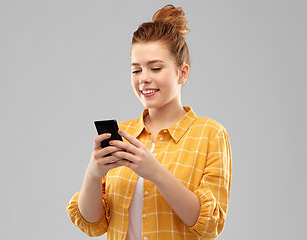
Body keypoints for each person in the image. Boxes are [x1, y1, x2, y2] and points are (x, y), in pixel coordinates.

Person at [67, 4, 232, 240]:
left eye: (155, 68)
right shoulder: (124, 134)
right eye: (136, 70)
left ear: (182, 72)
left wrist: (155, 172)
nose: (144, 78)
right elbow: (92, 223)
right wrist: (94, 172)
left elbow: (209, 225)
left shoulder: (210, 134)